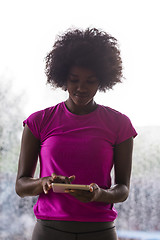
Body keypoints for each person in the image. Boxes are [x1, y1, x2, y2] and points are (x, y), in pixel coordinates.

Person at [15, 28, 137, 240]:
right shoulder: (38, 122)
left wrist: (101, 194)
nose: (81, 88)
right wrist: (44, 182)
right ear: (63, 79)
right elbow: (21, 185)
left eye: (90, 81)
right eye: (74, 80)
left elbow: (123, 188)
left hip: (100, 231)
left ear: (102, 80)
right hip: (49, 231)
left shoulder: (120, 124)